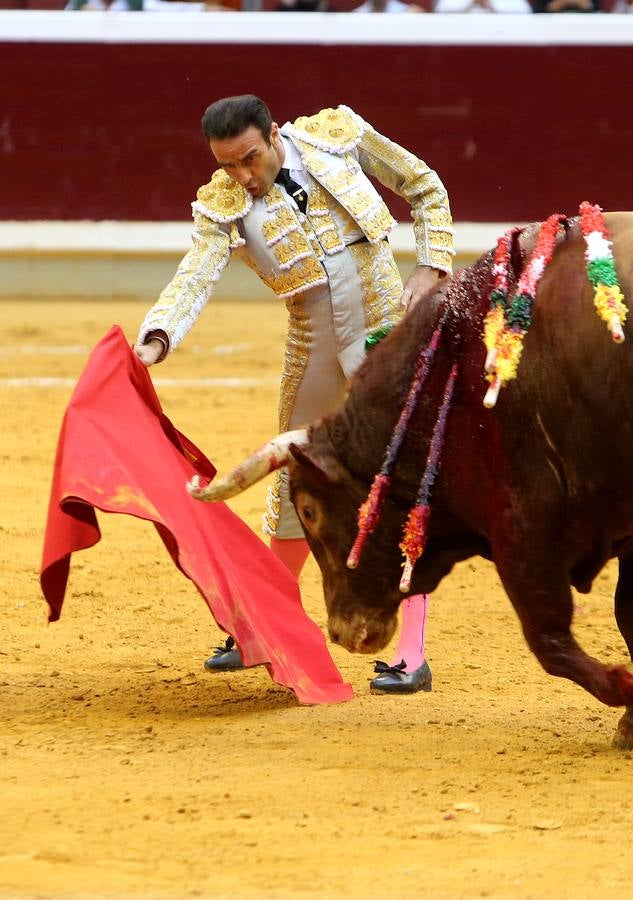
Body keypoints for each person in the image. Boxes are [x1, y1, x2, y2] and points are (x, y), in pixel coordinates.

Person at [133, 94, 452, 694]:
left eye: (250, 159)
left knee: (404, 485)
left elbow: (424, 185)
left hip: (388, 348)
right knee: (290, 484)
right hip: (313, 356)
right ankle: (259, 627)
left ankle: (411, 652)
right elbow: (196, 274)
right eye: (228, 166)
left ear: (274, 135)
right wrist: (156, 336)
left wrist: (431, 266)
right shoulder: (221, 204)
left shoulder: (337, 135)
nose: (242, 177)